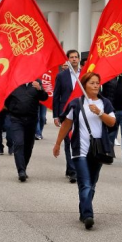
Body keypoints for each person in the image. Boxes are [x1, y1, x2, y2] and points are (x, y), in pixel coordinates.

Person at [53, 72, 116, 230]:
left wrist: (100, 113)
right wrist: (58, 143)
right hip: (79, 149)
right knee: (85, 183)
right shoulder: (75, 103)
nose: (95, 85)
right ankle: (88, 215)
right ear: (84, 85)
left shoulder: (105, 103)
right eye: (92, 83)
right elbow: (66, 124)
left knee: (92, 183)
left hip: (98, 150)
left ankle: (83, 210)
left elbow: (112, 122)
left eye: (97, 82)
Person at [5, 80, 49, 182]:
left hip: (31, 119)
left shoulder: (36, 82)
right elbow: (6, 99)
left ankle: (23, 167)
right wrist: (13, 108)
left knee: (28, 145)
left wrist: (40, 89)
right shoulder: (14, 82)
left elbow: (44, 97)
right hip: (16, 119)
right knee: (19, 143)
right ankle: (21, 171)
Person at [53, 49, 81, 183]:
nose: (74, 59)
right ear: (68, 60)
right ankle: (72, 171)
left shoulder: (85, 75)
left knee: (79, 141)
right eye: (71, 57)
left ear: (79, 59)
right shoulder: (61, 76)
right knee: (68, 141)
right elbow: (56, 96)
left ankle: (74, 168)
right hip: (66, 112)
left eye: (76, 57)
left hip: (81, 113)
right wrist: (56, 116)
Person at [101, 70, 122, 164]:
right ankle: (109, 155)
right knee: (111, 134)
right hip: (112, 111)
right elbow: (103, 92)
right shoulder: (109, 76)